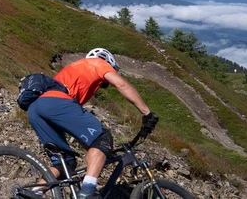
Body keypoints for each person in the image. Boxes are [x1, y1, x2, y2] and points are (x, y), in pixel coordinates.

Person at [27, 48, 159, 199]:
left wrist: (98, 149)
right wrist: (147, 113)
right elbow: (122, 85)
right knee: (103, 138)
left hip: (36, 109)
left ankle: (34, 193)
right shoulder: (98, 63)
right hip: (56, 103)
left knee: (65, 163)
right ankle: (88, 190)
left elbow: (76, 128)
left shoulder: (75, 71)